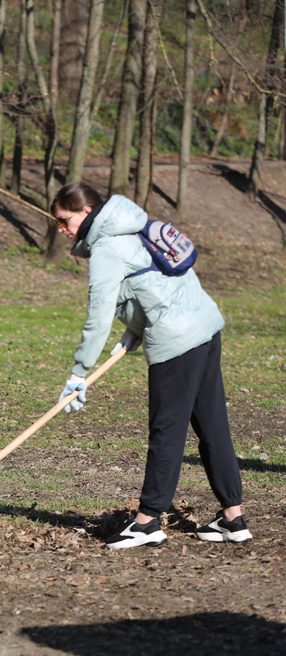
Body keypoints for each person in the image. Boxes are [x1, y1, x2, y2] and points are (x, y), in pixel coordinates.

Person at [51, 182, 250, 550]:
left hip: (177, 342)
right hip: (205, 328)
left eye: (64, 220)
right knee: (212, 426)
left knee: (167, 430)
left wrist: (80, 371)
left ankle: (146, 523)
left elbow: (98, 317)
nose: (61, 229)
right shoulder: (133, 226)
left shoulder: (107, 248)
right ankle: (232, 516)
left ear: (84, 211)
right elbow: (155, 287)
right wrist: (133, 333)